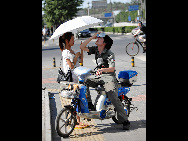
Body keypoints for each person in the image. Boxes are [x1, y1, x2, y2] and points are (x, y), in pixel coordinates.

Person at [80, 32, 130, 130]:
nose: (97, 38)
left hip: (108, 77)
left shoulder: (110, 53)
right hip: (98, 76)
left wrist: (102, 70)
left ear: (104, 42)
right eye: (97, 37)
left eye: (100, 38)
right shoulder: (95, 50)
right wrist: (92, 37)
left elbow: (112, 69)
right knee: (84, 80)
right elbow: (82, 46)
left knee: (113, 96)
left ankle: (125, 120)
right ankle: (89, 104)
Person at [59, 32, 87, 128]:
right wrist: (75, 56)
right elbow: (71, 66)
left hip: (76, 77)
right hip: (71, 79)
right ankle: (76, 121)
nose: (73, 40)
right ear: (67, 41)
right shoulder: (66, 52)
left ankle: (77, 121)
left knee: (77, 98)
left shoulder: (71, 50)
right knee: (75, 99)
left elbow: (81, 61)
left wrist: (81, 50)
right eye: (72, 39)